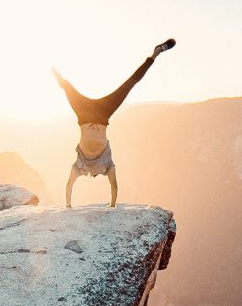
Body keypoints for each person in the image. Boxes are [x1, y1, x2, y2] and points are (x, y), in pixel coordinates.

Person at [53, 39, 175, 208]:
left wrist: (68, 206)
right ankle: (155, 53)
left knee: (65, 86)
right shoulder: (108, 166)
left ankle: (48, 63)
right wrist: (111, 206)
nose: (94, 174)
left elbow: (69, 186)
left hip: (84, 114)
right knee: (130, 84)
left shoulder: (79, 167)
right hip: (103, 113)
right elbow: (114, 186)